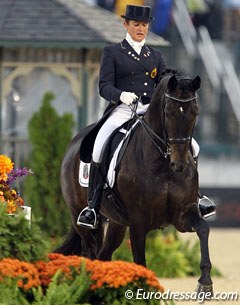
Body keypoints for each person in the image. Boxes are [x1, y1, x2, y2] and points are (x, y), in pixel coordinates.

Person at [77, 4, 216, 229]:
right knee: (100, 144)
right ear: (126, 25)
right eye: (136, 25)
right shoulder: (112, 53)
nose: (141, 29)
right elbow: (104, 86)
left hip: (149, 110)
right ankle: (92, 207)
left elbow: (164, 82)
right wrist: (122, 95)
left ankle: (196, 197)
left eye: (144, 25)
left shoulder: (155, 55)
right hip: (122, 109)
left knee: (195, 148)